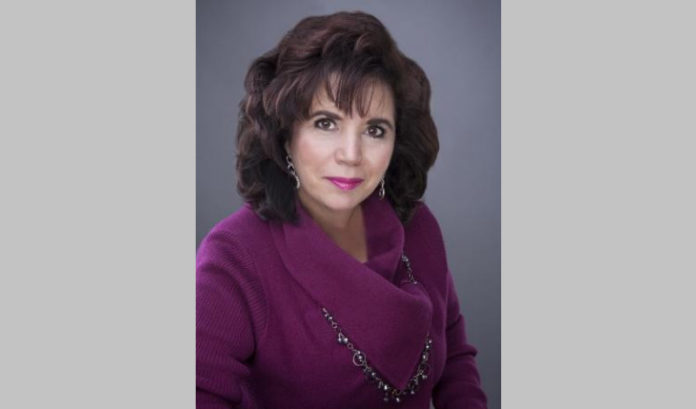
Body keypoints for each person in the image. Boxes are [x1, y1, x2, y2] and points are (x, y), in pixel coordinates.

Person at [196, 11, 488, 409]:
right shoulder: (235, 256)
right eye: (326, 123)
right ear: (286, 134)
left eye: (374, 130)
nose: (351, 155)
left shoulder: (419, 228)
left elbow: (455, 363)